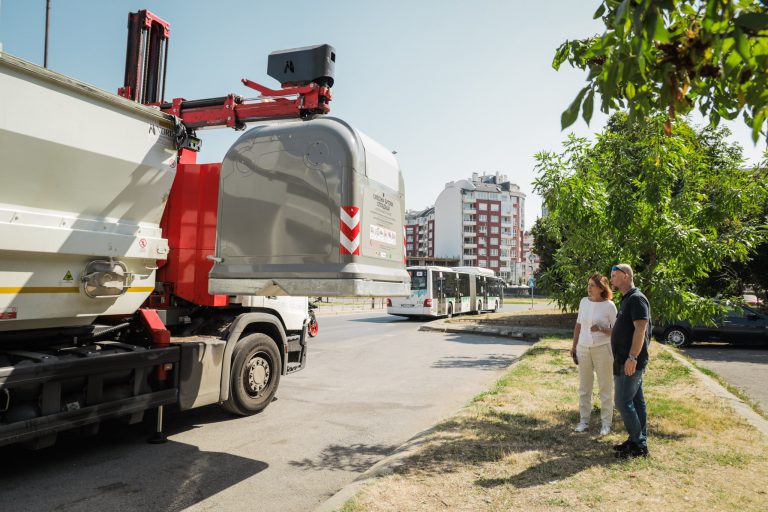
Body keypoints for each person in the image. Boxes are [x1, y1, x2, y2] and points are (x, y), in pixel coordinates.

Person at [609, 263, 651, 459]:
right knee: (636, 401)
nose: (611, 279)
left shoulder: (636, 299)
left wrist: (632, 357)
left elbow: (640, 329)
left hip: (631, 361)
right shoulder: (627, 299)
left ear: (626, 276)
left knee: (622, 401)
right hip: (622, 359)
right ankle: (636, 440)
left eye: (615, 275)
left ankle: (638, 444)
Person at [570, 272, 617, 435]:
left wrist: (601, 329)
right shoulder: (583, 302)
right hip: (583, 348)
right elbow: (578, 325)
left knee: (605, 387)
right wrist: (574, 346)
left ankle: (606, 424)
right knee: (584, 387)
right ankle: (584, 421)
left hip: (602, 349)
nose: (588, 288)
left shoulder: (609, 306)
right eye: (588, 285)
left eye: (592, 285)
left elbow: (617, 331)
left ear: (601, 288)